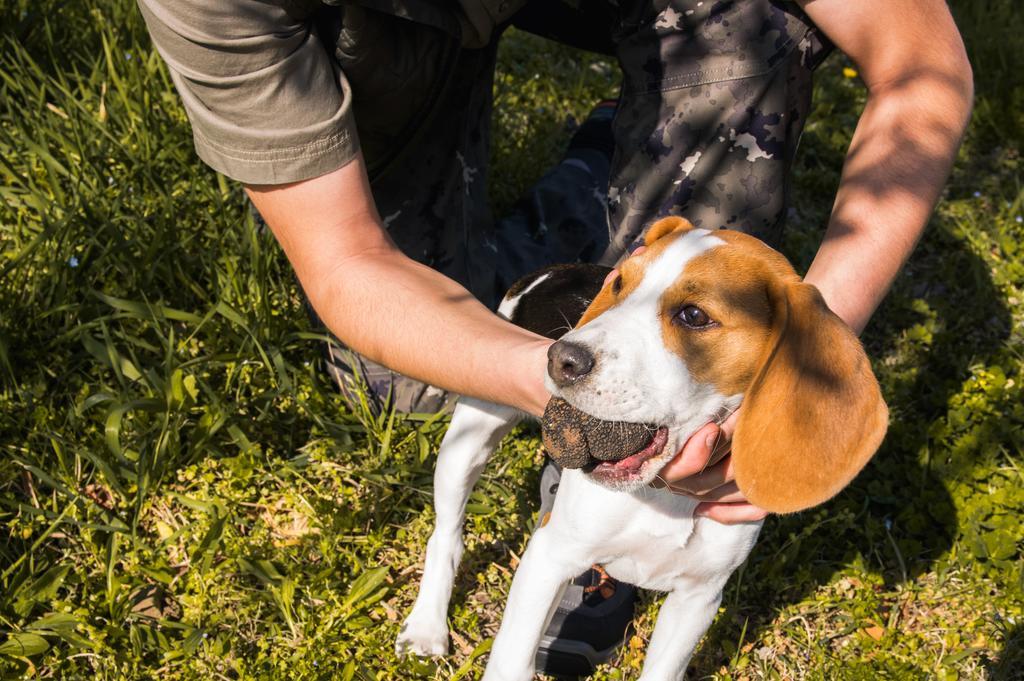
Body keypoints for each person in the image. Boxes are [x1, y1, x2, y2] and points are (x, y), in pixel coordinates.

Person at [138, 0, 973, 673]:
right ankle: (586, 187)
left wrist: (814, 339)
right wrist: (543, 374)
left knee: (744, 28)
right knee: (400, 381)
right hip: (386, 29)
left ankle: (610, 183)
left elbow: (923, 63)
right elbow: (347, 260)